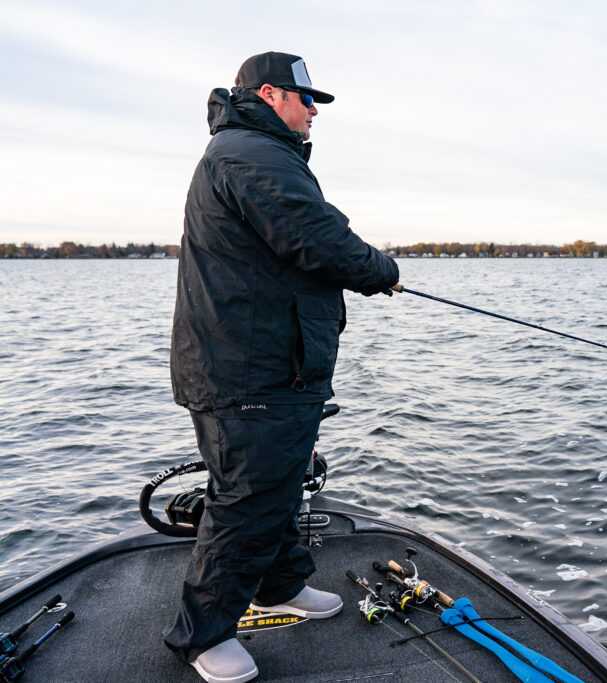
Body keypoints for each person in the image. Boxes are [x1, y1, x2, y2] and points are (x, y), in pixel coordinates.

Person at [165, 52, 399, 683]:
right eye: (306, 98)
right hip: (249, 371)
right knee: (247, 498)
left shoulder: (253, 150)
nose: (313, 110)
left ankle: (278, 584)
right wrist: (382, 270)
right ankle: (202, 634)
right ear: (270, 94)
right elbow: (317, 237)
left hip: (273, 365)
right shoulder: (250, 152)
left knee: (281, 481)